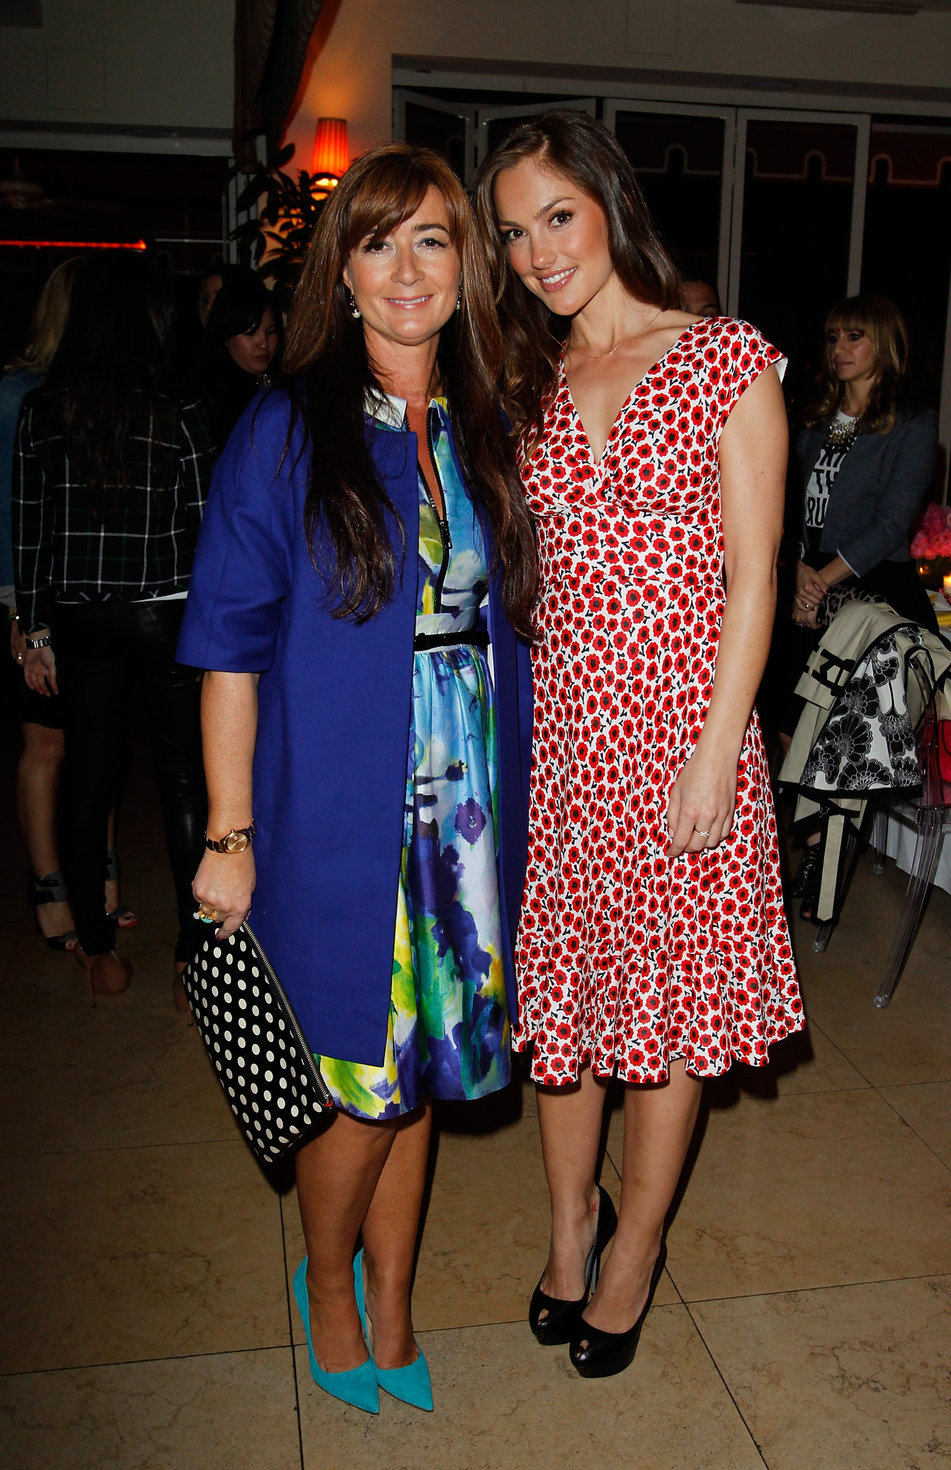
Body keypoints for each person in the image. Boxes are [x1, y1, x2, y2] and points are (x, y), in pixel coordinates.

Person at [177, 143, 536, 1415]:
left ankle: (394, 1301)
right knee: (357, 1073)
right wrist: (228, 832)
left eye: (432, 240)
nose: (405, 270)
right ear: (342, 272)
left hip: (469, 804)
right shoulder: (289, 427)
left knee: (424, 1063)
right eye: (378, 243)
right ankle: (327, 1283)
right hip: (336, 799)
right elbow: (226, 644)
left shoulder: (490, 424)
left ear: (465, 267)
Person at [475, 109, 802, 1379]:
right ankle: (570, 1232)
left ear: (609, 201)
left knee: (665, 1023)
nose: (538, 250)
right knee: (569, 1013)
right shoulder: (524, 385)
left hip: (682, 737)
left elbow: (755, 580)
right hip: (564, 746)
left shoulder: (725, 359)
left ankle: (635, 1248)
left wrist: (718, 751)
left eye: (558, 214)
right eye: (514, 231)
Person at [14, 253, 213, 1002]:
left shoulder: (44, 410)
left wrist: (33, 633)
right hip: (170, 611)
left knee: (89, 775)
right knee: (182, 777)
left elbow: (29, 530)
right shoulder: (181, 409)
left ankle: (97, 950)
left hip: (79, 615)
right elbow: (206, 527)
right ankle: (195, 956)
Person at [781, 293, 938, 915]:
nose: (839, 349)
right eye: (834, 337)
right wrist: (796, 569)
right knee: (787, 720)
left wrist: (820, 579)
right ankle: (796, 853)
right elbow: (784, 499)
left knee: (831, 733)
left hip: (871, 588)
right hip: (801, 579)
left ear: (884, 345)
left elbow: (892, 524)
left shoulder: (913, 421)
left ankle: (823, 857)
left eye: (854, 337)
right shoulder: (813, 415)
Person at [1, 258, 135, 949]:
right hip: (29, 597)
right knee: (47, 745)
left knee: (97, 745)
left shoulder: (97, 391)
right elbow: (11, 512)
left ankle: (98, 882)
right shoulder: (19, 394)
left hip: (83, 602)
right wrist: (21, 616)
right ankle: (51, 886)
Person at [194, 270, 283, 446]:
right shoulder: (211, 398)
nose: (263, 343)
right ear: (226, 336)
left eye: (270, 332)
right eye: (250, 333)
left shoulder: (283, 381)